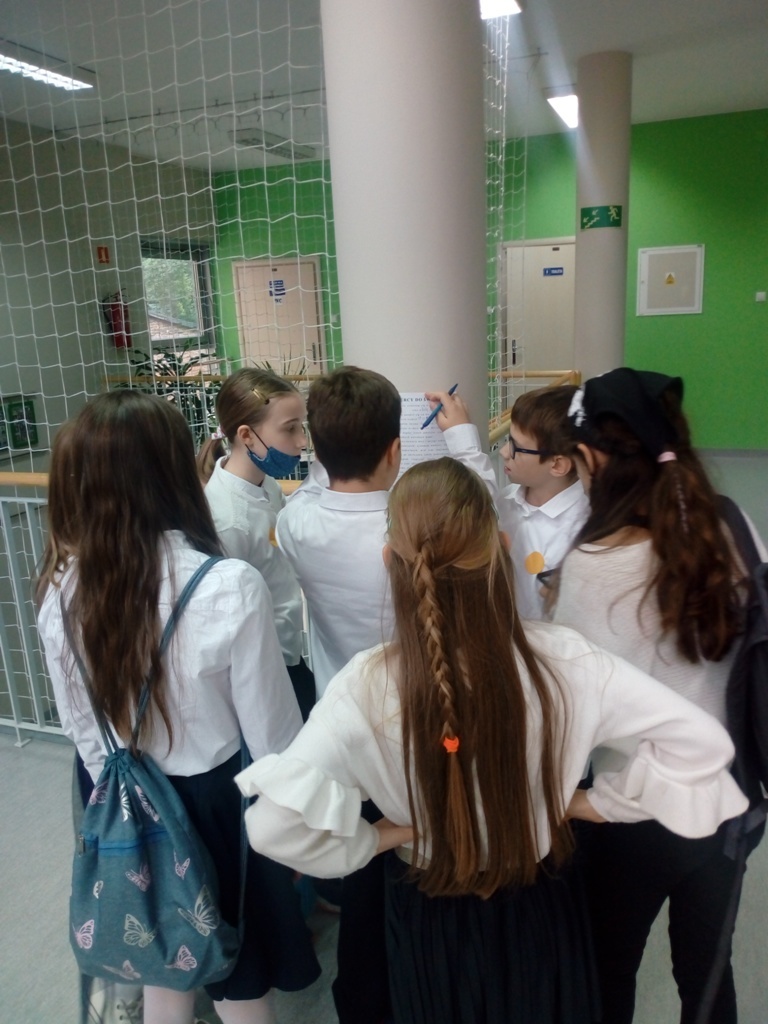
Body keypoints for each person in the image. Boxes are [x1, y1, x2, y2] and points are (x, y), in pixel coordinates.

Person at [236, 457, 748, 1024]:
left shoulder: (364, 686)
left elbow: (272, 826)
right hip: (541, 908)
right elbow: (702, 745)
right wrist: (586, 802)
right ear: (502, 546)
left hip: (428, 921)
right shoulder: (567, 662)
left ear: (389, 560)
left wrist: (385, 835)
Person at [37, 391, 320, 1024]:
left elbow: (80, 730)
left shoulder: (59, 590)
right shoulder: (226, 584)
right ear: (173, 471)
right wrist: (295, 831)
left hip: (119, 798)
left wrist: (121, 801)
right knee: (241, 981)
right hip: (219, 806)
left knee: (162, 958)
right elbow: (274, 739)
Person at [552, 367, 766, 1024]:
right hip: (727, 803)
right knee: (708, 979)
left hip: (629, 818)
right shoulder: (731, 524)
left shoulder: (595, 563)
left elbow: (579, 709)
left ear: (593, 457)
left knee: (607, 970)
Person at [275, 364, 402, 697]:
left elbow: (308, 491)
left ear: (317, 451)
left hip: (333, 705)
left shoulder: (293, 523)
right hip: (408, 704)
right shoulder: (414, 530)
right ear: (394, 452)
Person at [197, 367, 315, 720]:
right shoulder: (228, 519)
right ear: (246, 436)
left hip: (286, 650)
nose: (302, 442)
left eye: (301, 427)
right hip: (263, 670)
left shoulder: (267, 484)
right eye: (290, 429)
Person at [426, 384, 588, 619]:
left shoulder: (584, 527)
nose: (503, 452)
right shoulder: (508, 500)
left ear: (557, 465)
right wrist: (460, 433)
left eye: (516, 447)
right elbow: (479, 499)